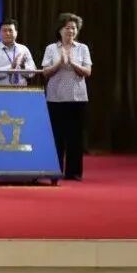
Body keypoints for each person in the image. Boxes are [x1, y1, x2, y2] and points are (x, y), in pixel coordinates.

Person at [42, 13, 92, 180]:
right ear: (60, 30)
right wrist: (59, 63)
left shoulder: (82, 48)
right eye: (67, 28)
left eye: (74, 28)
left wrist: (72, 63)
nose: (71, 31)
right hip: (55, 98)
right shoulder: (51, 48)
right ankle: (54, 170)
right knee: (56, 136)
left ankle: (74, 172)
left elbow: (87, 72)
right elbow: (45, 73)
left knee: (75, 137)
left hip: (77, 98)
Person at [0, 18, 36, 87]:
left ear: (16, 32)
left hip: (21, 90)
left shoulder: (23, 49)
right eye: (4, 31)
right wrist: (10, 68)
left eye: (10, 30)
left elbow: (32, 73)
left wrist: (23, 67)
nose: (8, 33)